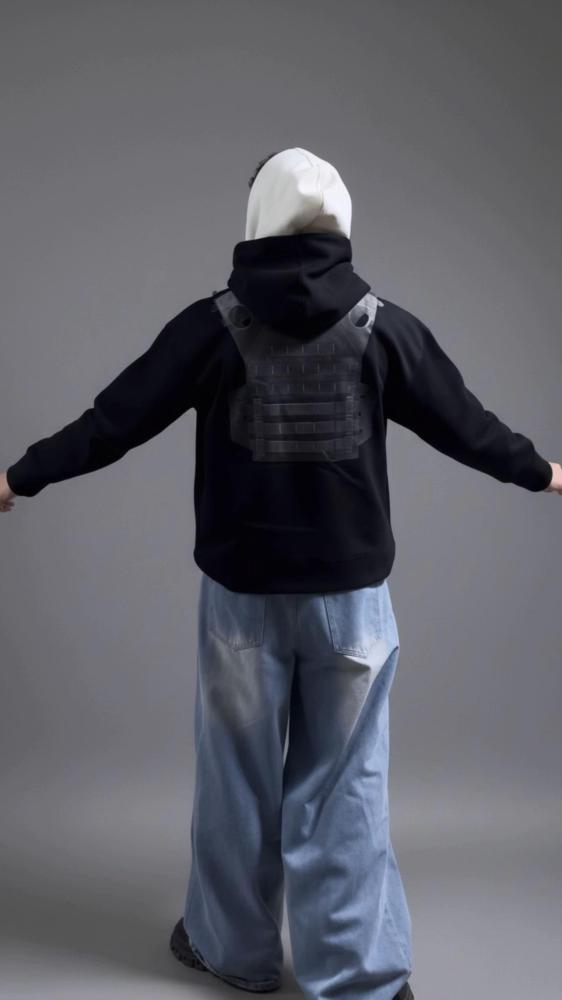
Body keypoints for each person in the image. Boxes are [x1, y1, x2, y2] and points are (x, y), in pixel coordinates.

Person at [1, 147, 559, 1000]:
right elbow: (467, 425)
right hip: (352, 604)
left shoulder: (209, 327)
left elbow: (113, 420)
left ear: (256, 220)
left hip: (242, 600)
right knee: (347, 785)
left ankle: (233, 950)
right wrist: (543, 472)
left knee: (236, 776)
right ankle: (361, 978)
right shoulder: (383, 327)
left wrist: (19, 477)